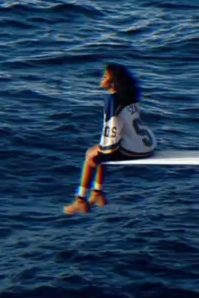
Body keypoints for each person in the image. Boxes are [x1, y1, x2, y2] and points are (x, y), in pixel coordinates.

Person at [64, 64, 157, 214]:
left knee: (91, 155)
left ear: (112, 83)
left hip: (134, 150)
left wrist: (103, 152)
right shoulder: (130, 96)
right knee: (100, 150)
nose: (102, 79)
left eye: (105, 77)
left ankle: (81, 200)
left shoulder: (113, 100)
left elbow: (112, 129)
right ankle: (97, 193)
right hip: (147, 145)